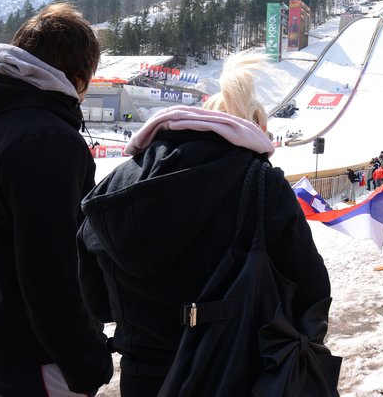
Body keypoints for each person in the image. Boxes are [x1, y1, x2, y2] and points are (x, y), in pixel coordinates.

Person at [77, 53, 335, 396]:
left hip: (144, 377)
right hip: (235, 373)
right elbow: (312, 291)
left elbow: (97, 303)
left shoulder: (116, 183)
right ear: (254, 129)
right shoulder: (261, 183)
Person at [0, 3, 114, 396]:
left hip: (2, 336)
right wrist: (88, 360)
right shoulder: (47, 140)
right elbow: (51, 274)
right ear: (79, 74)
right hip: (40, 356)